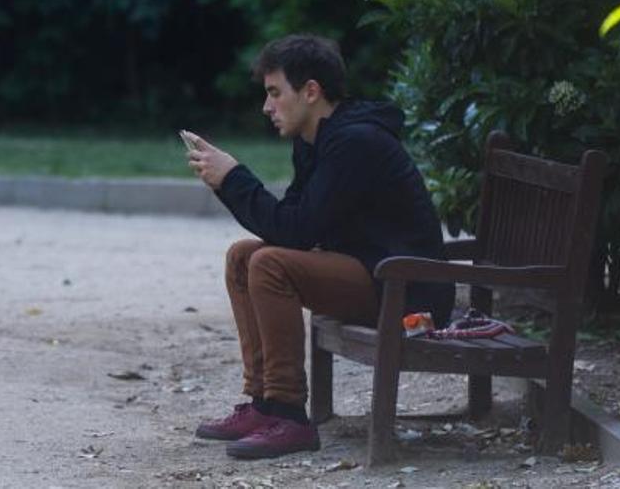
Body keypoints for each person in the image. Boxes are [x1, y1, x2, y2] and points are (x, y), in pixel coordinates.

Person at [181, 34, 454, 460]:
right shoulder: (315, 141)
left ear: (310, 91)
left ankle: (290, 416)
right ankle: (263, 404)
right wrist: (228, 181)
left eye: (275, 93)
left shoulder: (354, 142)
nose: (266, 107)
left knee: (270, 264)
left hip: (408, 292)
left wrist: (234, 178)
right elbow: (288, 225)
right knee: (243, 257)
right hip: (372, 273)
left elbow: (294, 234)